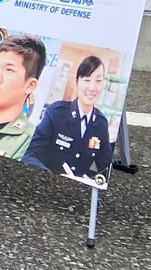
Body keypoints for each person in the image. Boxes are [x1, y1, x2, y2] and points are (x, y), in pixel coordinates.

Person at [25, 54, 113, 182]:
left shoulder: (101, 123)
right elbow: (29, 154)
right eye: (87, 80)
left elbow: (106, 167)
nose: (92, 88)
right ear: (77, 82)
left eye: (98, 81)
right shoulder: (56, 113)